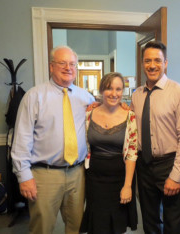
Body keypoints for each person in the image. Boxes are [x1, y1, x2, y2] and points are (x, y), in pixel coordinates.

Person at [11, 45, 95, 234]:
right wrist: (24, 177)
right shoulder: (34, 96)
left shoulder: (86, 98)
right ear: (51, 66)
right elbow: (21, 139)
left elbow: (104, 116)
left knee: (78, 227)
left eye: (72, 64)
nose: (68, 68)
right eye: (62, 63)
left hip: (77, 174)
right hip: (44, 175)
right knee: (42, 228)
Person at [131, 41, 180, 233]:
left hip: (169, 164)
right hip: (144, 164)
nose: (152, 65)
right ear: (142, 63)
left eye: (157, 60)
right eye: (147, 61)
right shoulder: (137, 95)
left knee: (173, 222)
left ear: (165, 63)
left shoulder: (179, 92)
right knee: (149, 220)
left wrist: (176, 175)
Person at [79, 72, 138, 234]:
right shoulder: (88, 115)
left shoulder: (130, 117)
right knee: (97, 224)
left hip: (119, 180)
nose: (114, 93)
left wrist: (127, 186)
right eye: (109, 88)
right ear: (101, 90)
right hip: (94, 180)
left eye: (118, 89)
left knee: (116, 225)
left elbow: (132, 153)